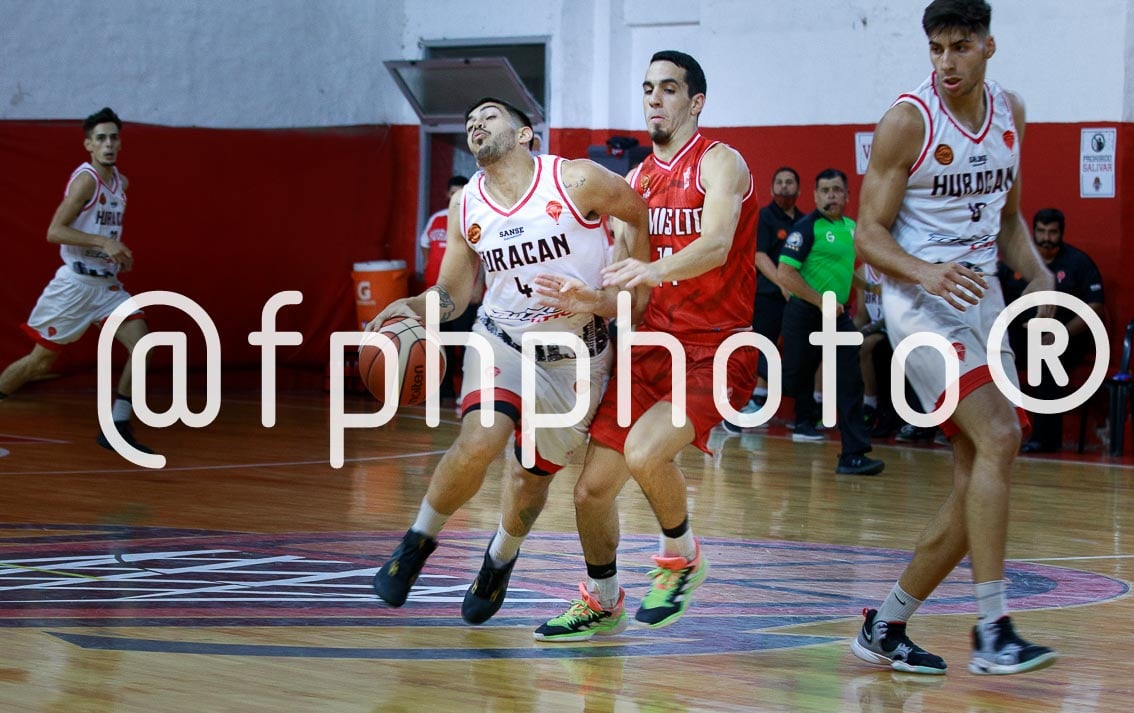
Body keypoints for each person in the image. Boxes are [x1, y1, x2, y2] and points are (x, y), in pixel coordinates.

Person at [368, 97, 650, 625]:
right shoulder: (465, 205)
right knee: (482, 437)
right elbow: (453, 291)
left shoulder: (577, 180)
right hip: (501, 337)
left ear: (525, 136)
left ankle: (499, 558)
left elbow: (637, 211)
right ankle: (416, 542)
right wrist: (410, 309)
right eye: (470, 119)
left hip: (575, 356)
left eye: (490, 115)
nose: (475, 122)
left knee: (528, 479)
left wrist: (622, 279)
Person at [852, 0, 1057, 675]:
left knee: (980, 477)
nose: (946, 63)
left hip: (982, 299)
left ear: (988, 47)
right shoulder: (907, 121)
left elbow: (1009, 218)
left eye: (960, 47)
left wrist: (1038, 270)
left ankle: (886, 623)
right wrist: (927, 272)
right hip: (918, 304)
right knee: (1002, 434)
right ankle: (993, 627)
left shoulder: (1011, 114)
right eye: (936, 48)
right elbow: (868, 234)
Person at [533, 50, 759, 641]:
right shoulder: (633, 184)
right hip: (651, 347)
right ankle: (602, 598)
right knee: (590, 491)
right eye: (647, 89)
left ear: (695, 102)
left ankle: (681, 557)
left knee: (644, 452)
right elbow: (625, 290)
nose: (654, 99)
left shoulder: (721, 164)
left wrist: (649, 272)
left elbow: (713, 246)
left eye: (668, 89)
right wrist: (588, 298)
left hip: (716, 349)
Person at [0, 107, 152, 454]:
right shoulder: (87, 180)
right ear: (88, 145)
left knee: (143, 344)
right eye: (101, 138)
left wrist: (115, 254)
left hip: (105, 287)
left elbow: (101, 231)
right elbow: (55, 232)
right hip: (74, 288)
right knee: (39, 362)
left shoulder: (121, 183)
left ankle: (117, 425)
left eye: (114, 137)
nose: (108, 144)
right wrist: (104, 243)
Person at [776, 169, 885, 475]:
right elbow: (786, 274)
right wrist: (819, 300)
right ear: (815, 196)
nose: (831, 196)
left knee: (850, 380)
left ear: (847, 196)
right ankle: (746, 398)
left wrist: (873, 288)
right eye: (824, 190)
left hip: (837, 317)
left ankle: (853, 454)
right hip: (805, 314)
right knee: (793, 378)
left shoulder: (852, 229)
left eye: (836, 190)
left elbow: (846, 270)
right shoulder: (806, 228)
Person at [998, 208, 1105, 453]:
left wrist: (1062, 334)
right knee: (989, 353)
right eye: (1042, 231)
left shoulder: (1078, 263)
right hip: (1022, 337)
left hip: (1067, 338)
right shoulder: (1019, 263)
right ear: (1033, 232)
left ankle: (1045, 440)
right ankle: (994, 433)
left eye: (1052, 232)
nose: (1046, 237)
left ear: (1061, 233)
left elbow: (1095, 307)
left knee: (1045, 358)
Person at [419, 174, 475, 400]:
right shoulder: (437, 219)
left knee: (465, 344)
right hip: (436, 295)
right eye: (452, 194)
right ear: (447, 195)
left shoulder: (472, 219)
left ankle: (468, 390)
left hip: (462, 295)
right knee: (439, 344)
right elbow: (424, 244)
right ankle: (443, 389)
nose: (455, 198)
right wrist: (428, 265)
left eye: (460, 194)